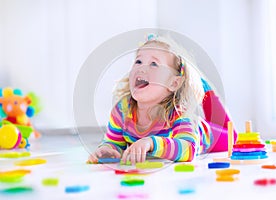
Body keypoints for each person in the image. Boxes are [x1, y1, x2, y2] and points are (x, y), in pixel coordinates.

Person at [88, 34, 233, 164]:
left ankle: (204, 87)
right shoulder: (122, 110)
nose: (141, 68)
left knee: (234, 138)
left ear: (173, 83)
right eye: (138, 62)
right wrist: (108, 149)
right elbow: (114, 142)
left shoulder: (178, 111)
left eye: (153, 64)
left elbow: (188, 149)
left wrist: (151, 142)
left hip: (207, 135)